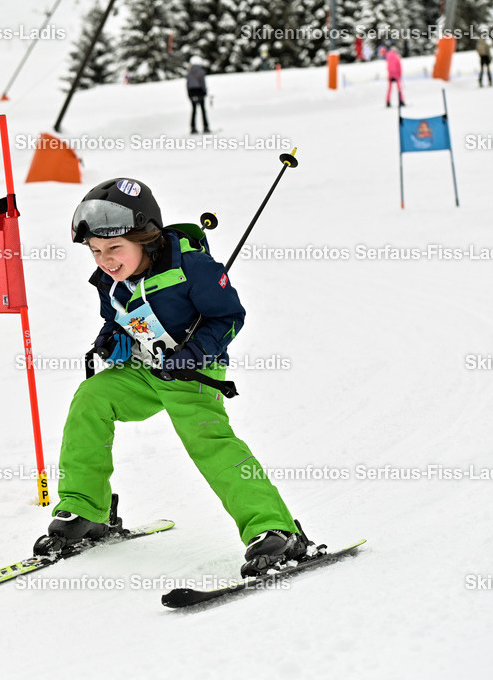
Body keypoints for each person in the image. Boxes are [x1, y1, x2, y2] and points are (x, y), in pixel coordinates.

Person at [39, 178, 320, 577]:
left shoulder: (192, 267)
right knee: (91, 398)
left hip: (192, 373)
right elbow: (116, 317)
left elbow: (228, 316)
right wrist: (109, 339)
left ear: (146, 238)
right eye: (96, 251)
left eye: (115, 248)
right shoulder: (108, 279)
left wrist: (191, 355)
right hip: (142, 371)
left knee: (207, 440)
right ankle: (86, 510)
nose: (106, 260)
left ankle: (272, 527)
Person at [186, 56, 210, 134]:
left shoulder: (189, 72)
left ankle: (193, 127)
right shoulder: (201, 72)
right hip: (200, 92)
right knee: (203, 110)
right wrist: (205, 91)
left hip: (192, 93)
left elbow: (187, 84)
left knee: (194, 111)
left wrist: (189, 94)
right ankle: (205, 127)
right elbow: (203, 83)